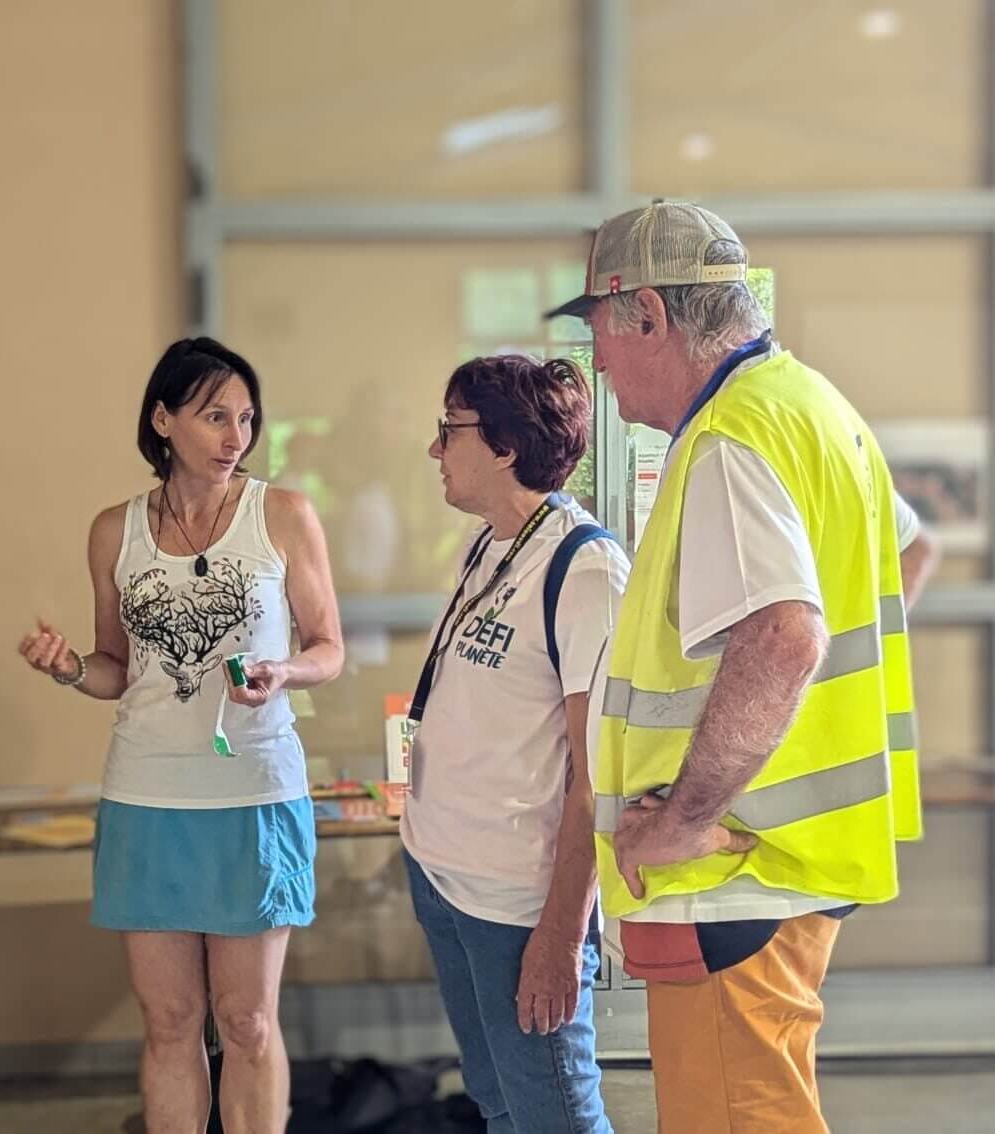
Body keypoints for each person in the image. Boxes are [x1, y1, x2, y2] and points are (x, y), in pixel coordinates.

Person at [544, 201, 940, 1131]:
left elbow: (785, 637)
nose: (594, 362)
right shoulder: (812, 406)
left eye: (598, 331)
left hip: (730, 869)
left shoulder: (729, 438)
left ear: (647, 313)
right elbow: (908, 555)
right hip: (785, 857)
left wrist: (687, 816)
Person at [19, 337, 343, 1133]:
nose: (236, 436)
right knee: (168, 1023)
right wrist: (67, 668)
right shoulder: (114, 531)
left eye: (246, 418)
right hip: (147, 796)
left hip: (253, 793)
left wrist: (284, 671)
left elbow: (327, 648)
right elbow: (114, 669)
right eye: (214, 417)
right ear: (163, 421)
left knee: (247, 1022)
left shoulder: (282, 514)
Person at [402, 354, 627, 1133]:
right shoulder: (488, 545)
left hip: (516, 903)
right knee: (498, 1104)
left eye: (450, 429)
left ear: (502, 446)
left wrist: (560, 934)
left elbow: (597, 779)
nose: (434, 448)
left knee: (554, 1118)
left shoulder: (584, 569)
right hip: (440, 872)